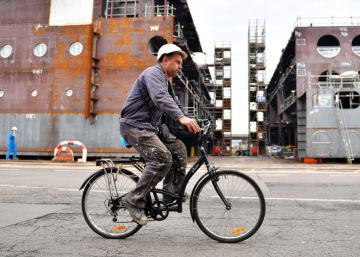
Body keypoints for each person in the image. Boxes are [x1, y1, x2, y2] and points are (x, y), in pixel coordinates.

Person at [119, 43, 201, 225]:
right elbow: (160, 98)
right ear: (165, 60)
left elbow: (175, 105)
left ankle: (171, 193)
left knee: (178, 148)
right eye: (178, 62)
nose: (180, 67)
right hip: (134, 126)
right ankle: (133, 199)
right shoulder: (153, 74)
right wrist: (181, 118)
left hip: (148, 128)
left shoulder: (166, 82)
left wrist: (193, 121)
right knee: (162, 158)